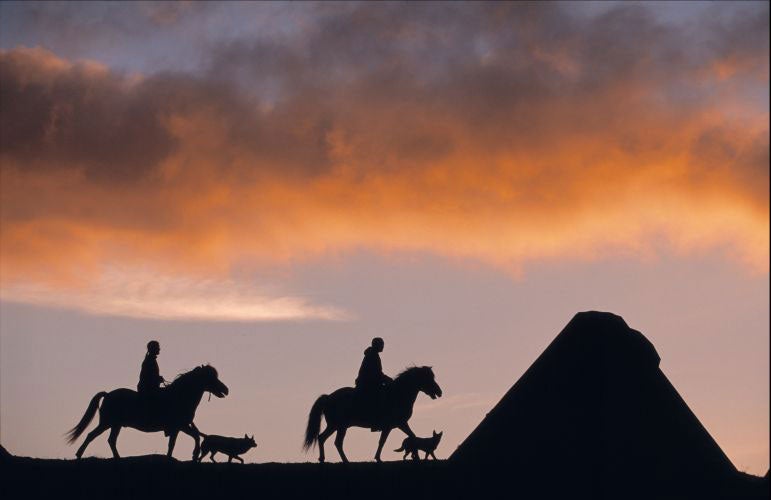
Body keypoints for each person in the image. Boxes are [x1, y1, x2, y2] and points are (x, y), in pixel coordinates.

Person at [355, 337, 392, 429]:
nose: (383, 346)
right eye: (381, 344)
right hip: (368, 382)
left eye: (383, 344)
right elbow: (376, 373)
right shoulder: (373, 355)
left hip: (370, 381)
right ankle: (377, 420)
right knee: (381, 396)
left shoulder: (373, 354)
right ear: (377, 345)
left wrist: (385, 379)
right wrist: (387, 380)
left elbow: (377, 373)